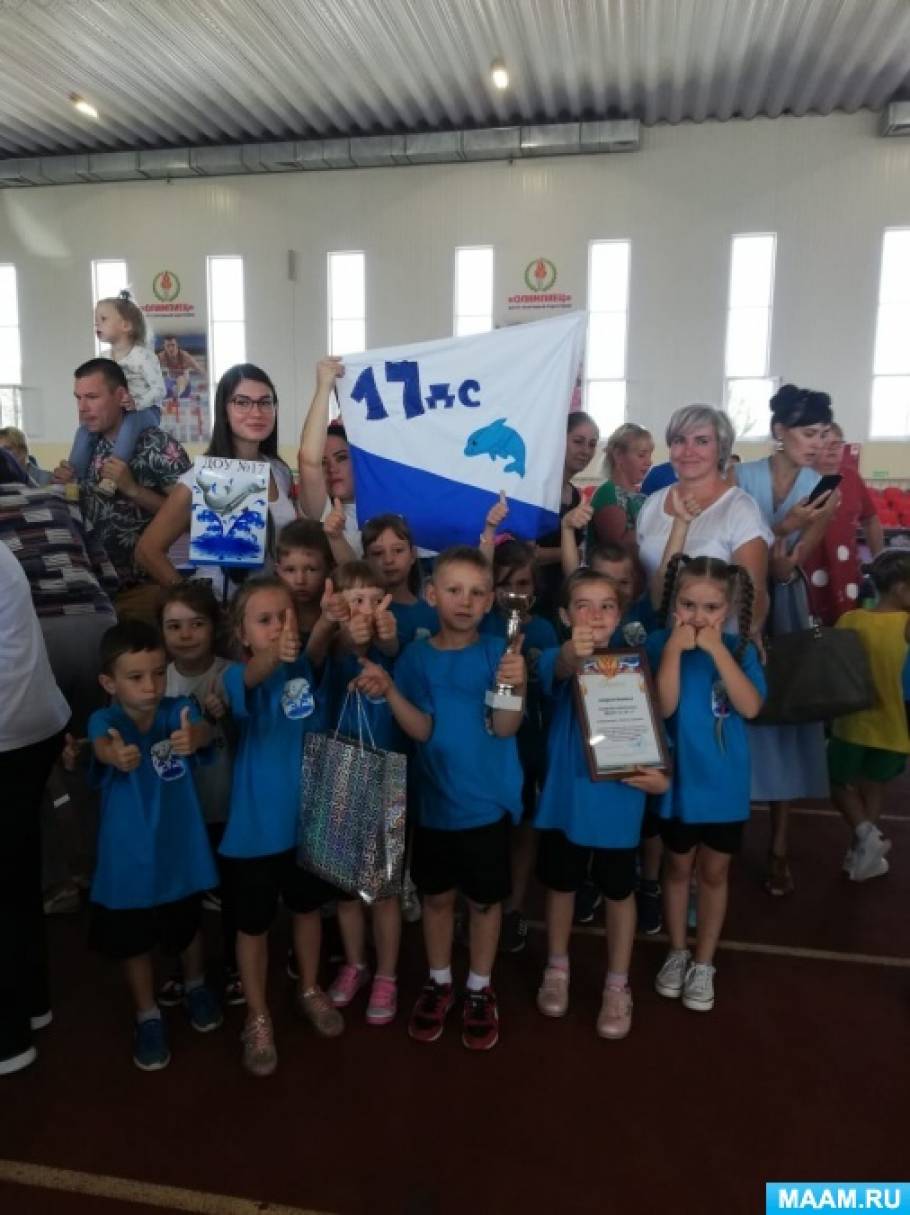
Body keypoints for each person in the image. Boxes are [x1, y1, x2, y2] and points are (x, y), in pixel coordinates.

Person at [353, 546, 526, 1051]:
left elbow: (504, 727)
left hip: (487, 806)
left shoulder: (499, 653)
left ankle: (479, 987)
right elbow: (423, 730)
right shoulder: (416, 658)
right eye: (454, 590)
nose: (465, 601)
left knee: (485, 903)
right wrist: (390, 690)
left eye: (476, 592)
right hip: (435, 805)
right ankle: (439, 980)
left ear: (490, 601)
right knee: (436, 898)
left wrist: (513, 686)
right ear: (431, 595)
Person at [532, 568, 669, 1038]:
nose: (595, 615)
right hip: (566, 801)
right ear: (564, 615)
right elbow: (554, 669)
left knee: (619, 892)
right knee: (561, 887)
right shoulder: (559, 657)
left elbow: (655, 733)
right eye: (583, 606)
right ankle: (557, 967)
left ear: (620, 615)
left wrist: (661, 778)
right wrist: (572, 653)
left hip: (620, 803)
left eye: (606, 606)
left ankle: (617, 983)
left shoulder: (636, 667)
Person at [86, 620, 221, 1071]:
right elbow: (100, 745)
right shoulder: (106, 720)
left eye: (159, 673)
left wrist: (196, 736)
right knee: (134, 939)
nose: (151, 685)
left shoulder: (177, 709)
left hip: (179, 848)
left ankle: (195, 985)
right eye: (136, 676)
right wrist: (113, 754)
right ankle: (147, 1013)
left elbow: (201, 730)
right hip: (127, 857)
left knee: (187, 925)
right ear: (109, 683)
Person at [219, 576, 339, 1077]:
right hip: (255, 829)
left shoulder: (305, 666)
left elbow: (314, 649)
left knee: (307, 911)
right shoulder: (235, 676)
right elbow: (254, 675)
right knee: (252, 925)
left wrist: (327, 619)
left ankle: (309, 987)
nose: (277, 627)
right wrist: (275, 652)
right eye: (264, 620)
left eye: (284, 617)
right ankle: (258, 1015)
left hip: (307, 818)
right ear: (242, 634)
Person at [648, 555, 765, 1013]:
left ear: (728, 609)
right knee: (677, 869)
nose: (698, 617)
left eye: (711, 608)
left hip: (724, 788)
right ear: (675, 602)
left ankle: (704, 961)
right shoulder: (661, 644)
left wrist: (718, 651)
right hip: (680, 785)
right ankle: (678, 951)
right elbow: (664, 708)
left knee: (714, 874)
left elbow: (750, 707)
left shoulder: (741, 650)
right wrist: (674, 652)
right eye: (689, 604)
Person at [736, 384, 838, 896]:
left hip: (787, 604)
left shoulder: (825, 488)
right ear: (780, 431)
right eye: (808, 432)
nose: (817, 443)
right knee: (733, 713)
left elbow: (791, 562)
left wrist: (786, 546)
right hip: (738, 600)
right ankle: (722, 836)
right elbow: (739, 544)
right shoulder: (741, 476)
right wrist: (784, 526)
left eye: (823, 434)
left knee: (787, 717)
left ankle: (778, 846)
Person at [320, 560, 405, 1025]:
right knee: (346, 888)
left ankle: (387, 975)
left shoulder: (391, 649)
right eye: (357, 601)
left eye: (376, 600)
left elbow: (391, 644)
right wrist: (340, 631)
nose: (367, 611)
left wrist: (386, 637)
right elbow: (326, 647)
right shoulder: (333, 653)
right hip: (338, 773)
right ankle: (355, 963)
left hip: (387, 776)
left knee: (383, 890)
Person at [136, 364, 296, 603]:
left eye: (265, 402)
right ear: (224, 410)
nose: (256, 412)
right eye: (242, 402)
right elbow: (147, 551)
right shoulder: (200, 477)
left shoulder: (279, 471)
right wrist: (195, 605)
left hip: (272, 609)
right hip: (223, 608)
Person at [155, 581, 242, 1008]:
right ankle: (185, 967)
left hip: (225, 805)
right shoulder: (156, 680)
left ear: (214, 626)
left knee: (231, 893)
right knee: (182, 893)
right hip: (178, 811)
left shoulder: (231, 674)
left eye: (196, 624)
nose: (186, 634)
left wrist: (223, 718)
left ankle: (235, 965)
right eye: (174, 626)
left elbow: (250, 732)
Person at [0, 542, 69, 1076]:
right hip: (32, 722)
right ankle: (33, 1002)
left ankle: (8, 1037)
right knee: (17, 875)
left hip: (9, 728)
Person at [53, 358, 191, 624]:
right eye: (78, 398)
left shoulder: (158, 445)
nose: (82, 408)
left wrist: (133, 489)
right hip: (91, 591)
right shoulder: (87, 444)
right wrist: (68, 485)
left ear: (120, 396)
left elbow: (192, 520)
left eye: (92, 397)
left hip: (141, 591)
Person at [478, 538, 558, 953]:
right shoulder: (480, 625)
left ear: (535, 587)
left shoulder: (542, 629)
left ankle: (514, 907)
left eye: (523, 583)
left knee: (525, 825)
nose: (514, 592)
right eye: (505, 583)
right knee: (489, 826)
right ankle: (482, 901)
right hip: (485, 742)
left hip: (528, 741)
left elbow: (553, 684)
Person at [636, 406, 771, 622]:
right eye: (680, 440)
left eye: (701, 441)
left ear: (721, 448)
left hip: (717, 638)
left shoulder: (740, 509)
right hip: (658, 634)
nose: (688, 451)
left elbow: (754, 597)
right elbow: (647, 586)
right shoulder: (653, 503)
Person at [828, 549, 910, 881]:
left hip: (851, 723)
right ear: (901, 588)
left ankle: (864, 839)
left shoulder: (850, 619)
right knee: (874, 785)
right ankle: (863, 846)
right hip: (894, 726)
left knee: (838, 783)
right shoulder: (906, 625)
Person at [66, 293, 166, 496]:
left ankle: (111, 478)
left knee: (130, 423)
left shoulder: (144, 356)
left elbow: (159, 390)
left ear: (126, 325)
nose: (97, 324)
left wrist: (137, 403)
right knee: (84, 430)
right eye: (96, 320)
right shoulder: (103, 358)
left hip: (146, 410)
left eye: (103, 319)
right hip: (120, 412)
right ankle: (75, 478)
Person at [803, 422, 884, 624]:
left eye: (837, 444)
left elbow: (871, 520)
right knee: (809, 629)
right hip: (807, 570)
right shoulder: (798, 478)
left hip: (846, 571)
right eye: (826, 443)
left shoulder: (852, 477)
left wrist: (880, 560)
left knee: (846, 625)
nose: (832, 449)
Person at [532, 411, 600, 617]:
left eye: (592, 444)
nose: (586, 450)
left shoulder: (575, 495)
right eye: (578, 441)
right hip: (532, 598)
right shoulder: (535, 490)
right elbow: (527, 554)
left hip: (561, 598)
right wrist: (571, 553)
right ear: (559, 440)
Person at [297, 357, 361, 557]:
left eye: (341, 458)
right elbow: (308, 460)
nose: (332, 468)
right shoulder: (321, 511)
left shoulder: (388, 505)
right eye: (323, 463)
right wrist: (324, 388)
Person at [362, 513, 438, 645]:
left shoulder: (432, 614)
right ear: (366, 560)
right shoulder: (361, 611)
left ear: (412, 555)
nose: (388, 560)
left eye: (398, 550)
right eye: (378, 553)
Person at [588, 423, 654, 550]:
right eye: (641, 455)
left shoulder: (642, 496)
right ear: (618, 455)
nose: (649, 462)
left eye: (649, 455)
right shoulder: (608, 492)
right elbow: (618, 547)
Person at [275, 518, 335, 642]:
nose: (300, 581)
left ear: (329, 569)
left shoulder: (338, 615)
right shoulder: (272, 619)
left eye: (311, 569)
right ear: (278, 570)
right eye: (290, 570)